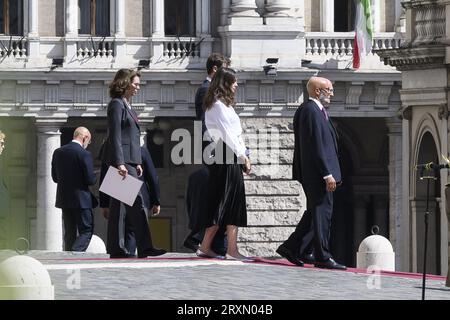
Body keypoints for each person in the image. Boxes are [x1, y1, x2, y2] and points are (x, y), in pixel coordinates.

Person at [276, 76, 346, 270]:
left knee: (316, 214)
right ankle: (322, 255)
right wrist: (326, 174)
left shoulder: (317, 110)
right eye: (329, 89)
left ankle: (295, 248)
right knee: (321, 214)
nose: (332, 93)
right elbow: (315, 145)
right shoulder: (310, 110)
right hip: (318, 175)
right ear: (317, 91)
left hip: (319, 173)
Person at [101, 68, 158, 259]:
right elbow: (115, 135)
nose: (137, 88)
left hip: (130, 161)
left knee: (118, 206)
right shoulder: (116, 105)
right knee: (138, 203)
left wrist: (137, 161)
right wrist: (120, 163)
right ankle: (145, 246)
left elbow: (132, 137)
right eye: (135, 84)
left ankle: (117, 248)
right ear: (124, 83)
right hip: (122, 162)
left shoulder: (127, 106)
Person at [198, 67, 251, 260]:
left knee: (228, 202)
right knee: (226, 202)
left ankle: (208, 247)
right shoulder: (217, 106)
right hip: (223, 155)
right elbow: (227, 134)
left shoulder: (226, 106)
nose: (237, 85)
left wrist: (245, 153)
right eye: (234, 81)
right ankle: (231, 249)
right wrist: (241, 155)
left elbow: (237, 134)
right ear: (225, 83)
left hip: (231, 155)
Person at [183, 53, 230, 254]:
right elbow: (205, 124)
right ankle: (197, 237)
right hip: (213, 146)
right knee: (215, 192)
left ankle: (206, 239)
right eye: (224, 70)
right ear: (214, 70)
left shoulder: (213, 91)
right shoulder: (205, 90)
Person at [99, 144, 166, 257]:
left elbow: (104, 176)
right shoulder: (141, 151)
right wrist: (156, 201)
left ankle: (123, 253)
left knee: (120, 227)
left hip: (117, 193)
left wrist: (104, 203)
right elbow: (152, 176)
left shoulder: (111, 150)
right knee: (134, 228)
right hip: (138, 195)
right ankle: (130, 254)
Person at [51, 127, 97, 251]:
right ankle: (75, 254)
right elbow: (90, 180)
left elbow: (55, 178)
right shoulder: (84, 154)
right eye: (89, 141)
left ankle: (67, 258)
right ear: (85, 137)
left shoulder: (58, 152)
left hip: (64, 199)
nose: (88, 144)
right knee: (86, 230)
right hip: (81, 200)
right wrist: (94, 175)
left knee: (69, 233)